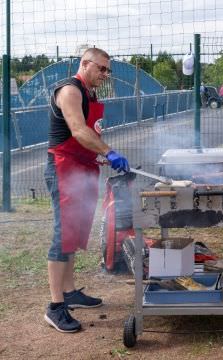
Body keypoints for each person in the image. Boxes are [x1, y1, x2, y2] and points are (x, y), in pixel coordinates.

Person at [44, 48, 130, 333]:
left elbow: (87, 134)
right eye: (101, 69)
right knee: (62, 234)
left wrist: (100, 155)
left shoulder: (90, 94)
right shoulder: (70, 91)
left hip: (82, 167)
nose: (105, 75)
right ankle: (55, 307)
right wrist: (109, 151)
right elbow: (79, 130)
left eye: (108, 71)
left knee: (76, 231)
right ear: (85, 63)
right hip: (63, 168)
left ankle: (69, 292)